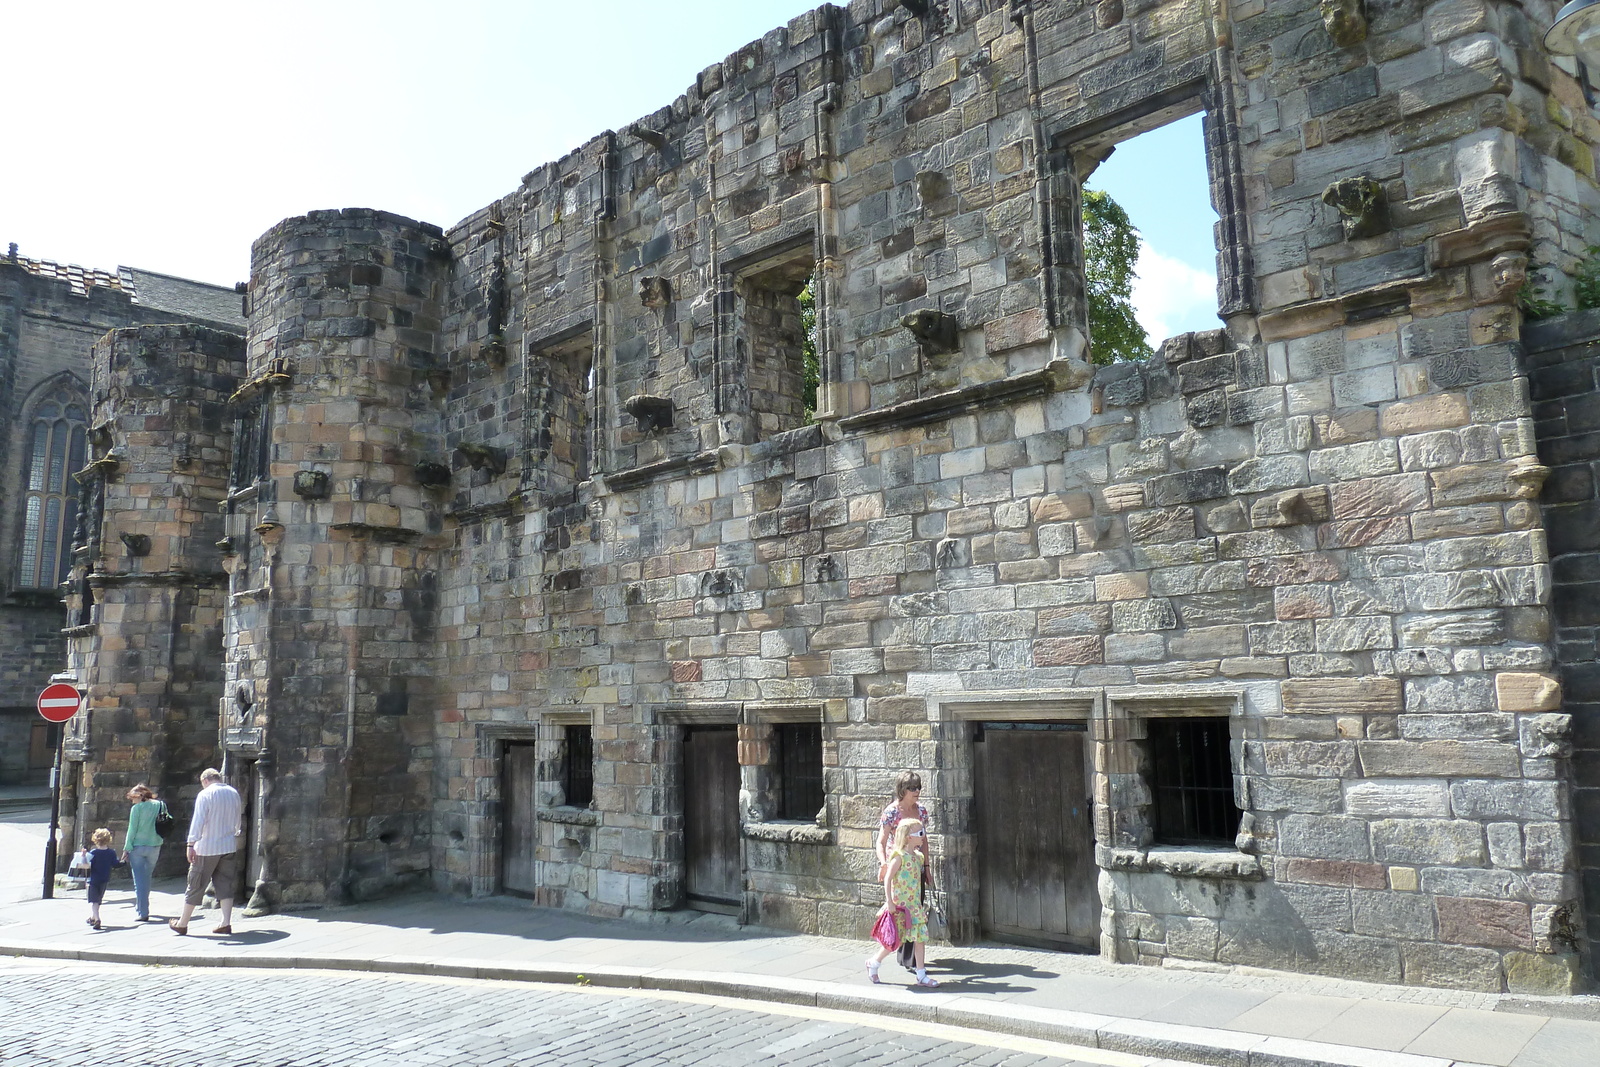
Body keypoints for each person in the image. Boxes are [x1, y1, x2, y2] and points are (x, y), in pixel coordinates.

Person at [169, 768, 243, 936]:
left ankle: (183, 923)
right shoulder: (233, 792)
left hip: (206, 847)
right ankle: (225, 922)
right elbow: (238, 818)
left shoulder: (205, 794)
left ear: (205, 780)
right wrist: (236, 832)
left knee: (195, 883)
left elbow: (198, 821)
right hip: (228, 845)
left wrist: (190, 844)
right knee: (225, 884)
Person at [866, 818, 936, 987]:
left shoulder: (918, 857)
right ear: (908, 837)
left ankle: (921, 974)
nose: (923, 836)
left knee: (920, 938)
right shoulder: (899, 857)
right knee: (894, 941)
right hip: (900, 907)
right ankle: (874, 962)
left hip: (914, 906)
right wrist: (889, 902)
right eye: (920, 833)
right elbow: (888, 879)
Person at [876, 771, 933, 971]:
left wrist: (927, 867)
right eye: (912, 788)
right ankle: (896, 956)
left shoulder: (922, 811)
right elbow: (881, 842)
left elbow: (924, 841)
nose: (917, 791)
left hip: (916, 866)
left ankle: (914, 961)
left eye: (918, 787)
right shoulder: (892, 812)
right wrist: (884, 864)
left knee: (916, 909)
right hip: (899, 867)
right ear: (902, 790)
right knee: (902, 914)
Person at [121, 784, 164, 921]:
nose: (132, 801)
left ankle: (143, 912)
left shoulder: (136, 809)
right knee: (146, 877)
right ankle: (141, 906)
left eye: (133, 798)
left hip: (138, 847)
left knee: (139, 880)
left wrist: (126, 848)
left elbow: (132, 830)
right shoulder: (160, 805)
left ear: (139, 796)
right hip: (155, 845)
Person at [84, 828, 124, 930]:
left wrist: (83, 855)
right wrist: (124, 861)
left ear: (96, 839)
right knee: (98, 900)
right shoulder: (111, 853)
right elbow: (116, 864)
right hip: (104, 879)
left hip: (93, 880)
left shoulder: (93, 853)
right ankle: (93, 917)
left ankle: (97, 919)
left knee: (94, 901)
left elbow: (86, 864)